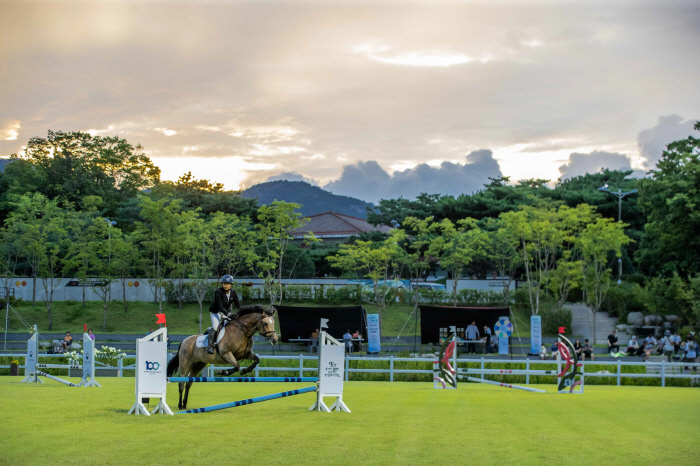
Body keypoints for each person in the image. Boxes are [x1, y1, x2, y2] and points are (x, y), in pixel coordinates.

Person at [207, 275, 241, 354]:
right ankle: (210, 345)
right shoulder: (218, 292)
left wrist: (242, 312)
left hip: (225, 312)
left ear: (231, 284)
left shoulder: (233, 293)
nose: (225, 285)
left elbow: (238, 305)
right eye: (224, 284)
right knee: (215, 326)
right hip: (216, 312)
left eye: (227, 284)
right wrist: (228, 314)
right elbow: (220, 306)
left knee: (233, 324)